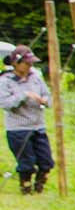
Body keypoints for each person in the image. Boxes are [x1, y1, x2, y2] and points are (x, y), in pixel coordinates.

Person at [0, 46, 55, 195]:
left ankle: (39, 187)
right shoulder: (5, 81)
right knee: (27, 162)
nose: (30, 66)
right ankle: (25, 189)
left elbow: (48, 96)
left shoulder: (36, 77)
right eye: (26, 63)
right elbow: (4, 103)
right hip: (18, 128)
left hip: (38, 126)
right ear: (16, 63)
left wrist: (44, 100)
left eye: (32, 63)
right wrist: (24, 95)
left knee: (46, 161)